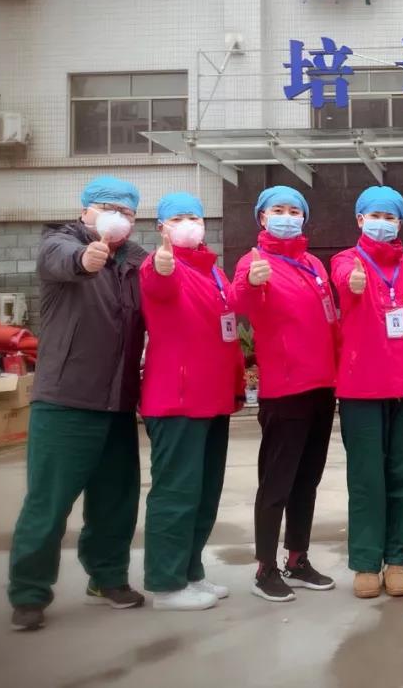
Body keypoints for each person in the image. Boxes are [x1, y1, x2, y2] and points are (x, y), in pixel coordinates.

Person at [8, 176, 146, 632]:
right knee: (49, 503)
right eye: (108, 208)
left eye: (126, 212)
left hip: (118, 402)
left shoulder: (136, 262)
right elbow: (63, 260)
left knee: (116, 500)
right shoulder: (60, 243)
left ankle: (107, 577)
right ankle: (29, 593)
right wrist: (85, 260)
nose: (117, 218)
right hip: (66, 400)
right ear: (85, 210)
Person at [139, 192, 245, 610]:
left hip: (213, 398)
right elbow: (157, 282)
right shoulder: (161, 264)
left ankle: (190, 571)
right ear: (161, 228)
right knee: (176, 494)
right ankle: (166, 584)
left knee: (204, 494)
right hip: (177, 400)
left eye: (195, 217)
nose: (189, 224)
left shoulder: (213, 272)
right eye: (179, 218)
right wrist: (161, 265)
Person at [233, 185, 338, 602]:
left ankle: (297, 559)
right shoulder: (254, 261)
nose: (288, 217)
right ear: (262, 217)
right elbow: (238, 301)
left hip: (321, 387)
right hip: (285, 391)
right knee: (276, 484)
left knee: (307, 481)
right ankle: (265, 568)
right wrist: (252, 283)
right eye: (278, 209)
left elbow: (329, 320)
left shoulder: (313, 264)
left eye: (295, 211)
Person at [330, 186, 403, 599]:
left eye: (390, 217)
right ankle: (366, 561)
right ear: (360, 220)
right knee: (367, 478)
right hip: (363, 388)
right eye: (375, 216)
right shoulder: (346, 261)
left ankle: (398, 560)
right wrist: (352, 283)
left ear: (400, 223)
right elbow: (342, 279)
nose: (382, 224)